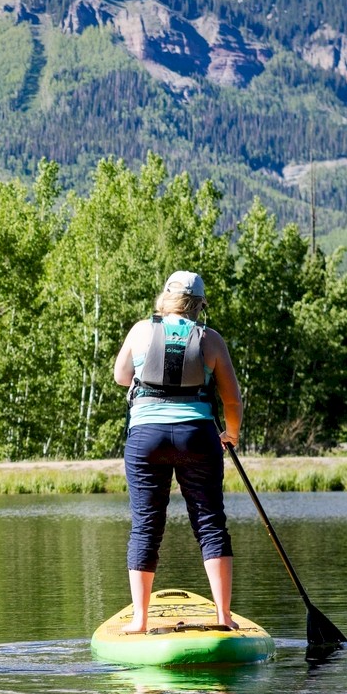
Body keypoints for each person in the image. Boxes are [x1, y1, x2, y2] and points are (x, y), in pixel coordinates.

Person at [110, 271, 245, 633]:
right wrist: (230, 434)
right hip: (197, 437)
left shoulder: (141, 330)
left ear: (165, 298)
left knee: (146, 526)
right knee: (210, 523)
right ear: (200, 305)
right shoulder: (210, 339)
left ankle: (140, 620)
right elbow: (232, 397)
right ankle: (223, 617)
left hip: (146, 438)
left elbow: (121, 375)